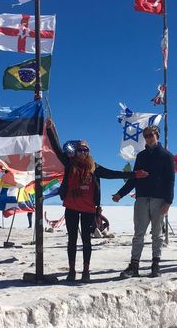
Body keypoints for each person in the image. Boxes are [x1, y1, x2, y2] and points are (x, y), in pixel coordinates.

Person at [47, 119, 147, 282]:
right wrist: (50, 129)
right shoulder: (69, 163)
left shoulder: (94, 167)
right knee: (71, 240)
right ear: (76, 151)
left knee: (86, 240)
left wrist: (134, 174)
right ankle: (72, 271)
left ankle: (86, 272)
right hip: (71, 207)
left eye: (85, 150)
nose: (82, 153)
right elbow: (57, 150)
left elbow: (113, 174)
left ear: (89, 151)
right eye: (79, 150)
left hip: (88, 209)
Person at [112, 125, 175, 278]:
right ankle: (134, 266)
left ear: (157, 135)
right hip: (141, 199)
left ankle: (155, 266)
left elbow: (170, 180)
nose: (148, 138)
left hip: (159, 199)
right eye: (145, 135)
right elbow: (135, 178)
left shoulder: (167, 156)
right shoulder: (141, 156)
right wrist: (120, 194)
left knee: (157, 234)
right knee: (139, 233)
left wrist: (168, 202)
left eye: (150, 135)